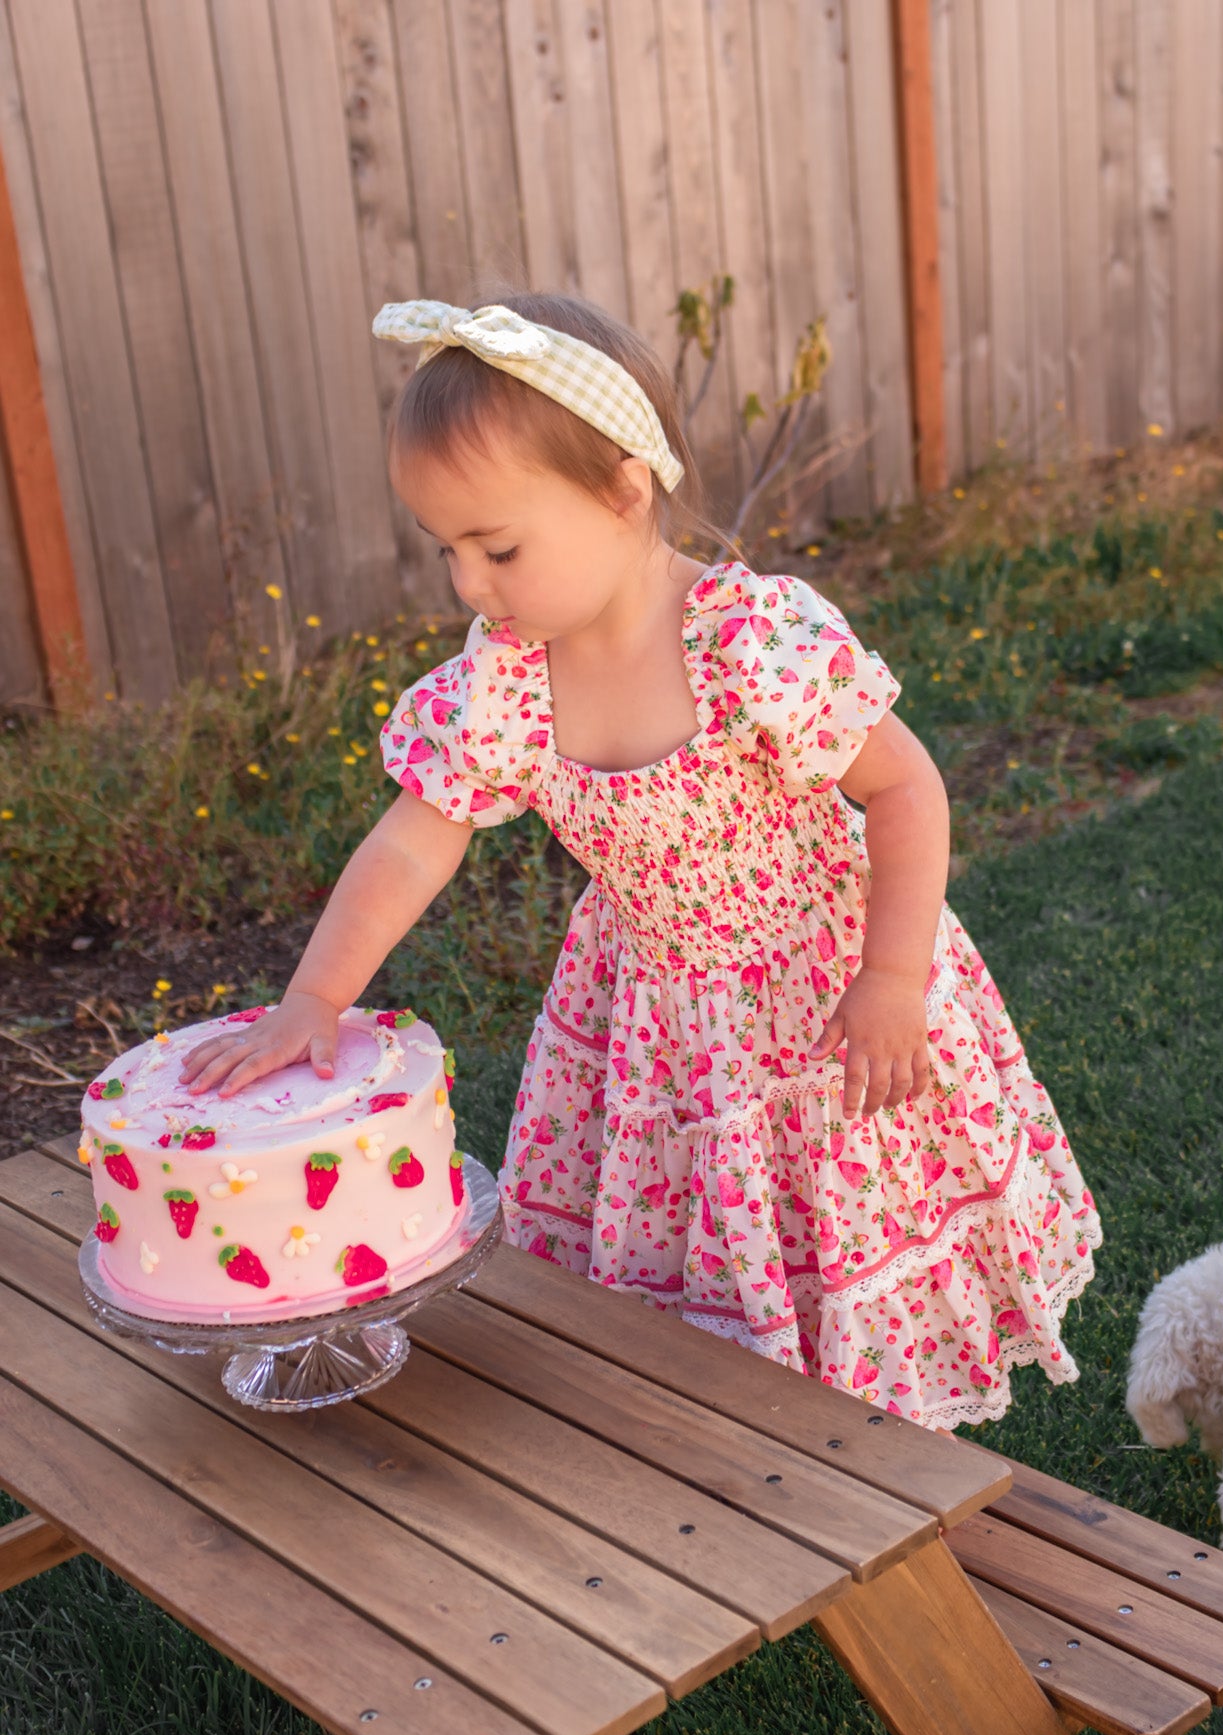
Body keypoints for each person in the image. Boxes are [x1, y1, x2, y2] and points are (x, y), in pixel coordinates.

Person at [182, 291, 1100, 1429]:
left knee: (838, 1219)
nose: (470, 584)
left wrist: (894, 979)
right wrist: (316, 996)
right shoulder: (511, 679)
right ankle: (741, 1432)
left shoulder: (745, 641)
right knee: (706, 1247)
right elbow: (415, 836)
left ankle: (873, 1446)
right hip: (659, 1022)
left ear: (625, 490)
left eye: (499, 546)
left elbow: (905, 787)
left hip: (825, 1003)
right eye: (449, 551)